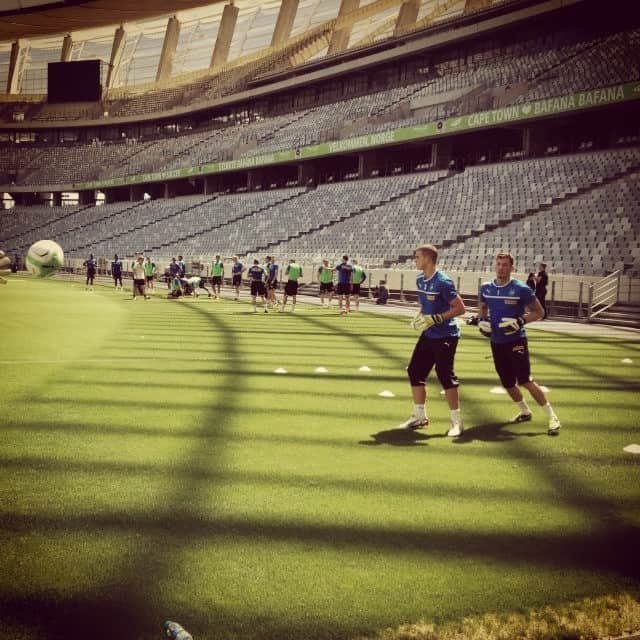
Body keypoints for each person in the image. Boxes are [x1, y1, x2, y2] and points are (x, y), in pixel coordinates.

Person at [478, 252, 561, 435]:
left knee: (525, 380)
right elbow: (483, 308)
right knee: (507, 382)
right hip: (496, 341)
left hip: (516, 341)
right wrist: (482, 322)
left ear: (512, 268)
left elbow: (539, 312)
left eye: (505, 265)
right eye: (498, 264)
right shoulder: (485, 288)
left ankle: (552, 417)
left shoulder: (521, 289)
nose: (501, 268)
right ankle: (525, 411)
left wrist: (520, 321)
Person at [402, 244, 466, 437]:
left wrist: (437, 318)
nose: (415, 260)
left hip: (446, 334)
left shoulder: (443, 282)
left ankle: (457, 422)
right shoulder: (420, 279)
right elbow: (425, 304)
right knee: (415, 370)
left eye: (417, 257)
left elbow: (460, 309)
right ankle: (420, 416)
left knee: (444, 374)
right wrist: (419, 316)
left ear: (428, 258)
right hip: (429, 333)